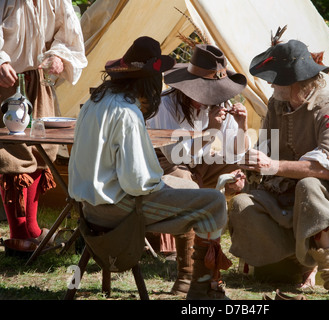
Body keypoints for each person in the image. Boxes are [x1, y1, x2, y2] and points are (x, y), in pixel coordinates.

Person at [68, 36, 232, 300]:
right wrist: (161, 184)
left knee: (189, 188)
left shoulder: (95, 102)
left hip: (89, 209)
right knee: (213, 202)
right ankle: (203, 288)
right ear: (149, 81)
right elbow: (138, 183)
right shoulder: (127, 113)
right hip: (119, 210)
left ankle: (197, 281)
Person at [228, 37, 329, 295]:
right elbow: (267, 150)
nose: (270, 83)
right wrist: (251, 166)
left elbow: (327, 168)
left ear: (297, 82)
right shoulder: (276, 106)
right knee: (242, 204)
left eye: (276, 79)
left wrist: (274, 165)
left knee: (309, 186)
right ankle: (296, 260)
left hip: (324, 196)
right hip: (281, 195)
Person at [146, 44, 248, 295]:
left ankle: (211, 270)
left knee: (235, 167)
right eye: (206, 91)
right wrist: (210, 131)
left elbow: (237, 152)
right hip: (166, 163)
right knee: (187, 184)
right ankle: (187, 275)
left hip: (199, 161)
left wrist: (242, 124)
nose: (211, 97)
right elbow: (176, 154)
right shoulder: (164, 106)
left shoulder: (219, 104)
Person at [0, 0, 87, 244]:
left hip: (37, 81)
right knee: (12, 155)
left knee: (42, 149)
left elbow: (68, 32)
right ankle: (19, 236)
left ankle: (32, 229)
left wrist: (58, 55)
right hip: (5, 84)